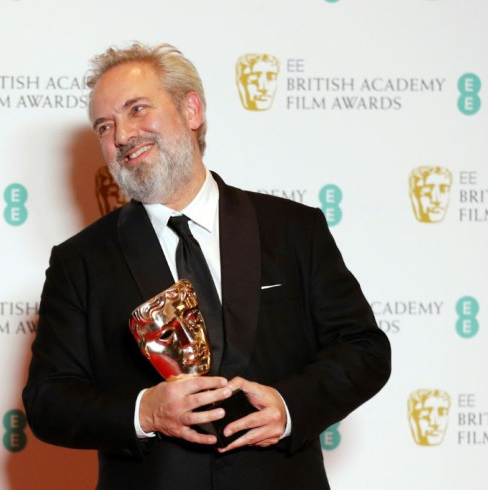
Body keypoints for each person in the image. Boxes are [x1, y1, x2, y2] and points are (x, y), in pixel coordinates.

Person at [23, 42, 391, 489]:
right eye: (105, 126)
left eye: (137, 109)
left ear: (191, 110)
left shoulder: (293, 229)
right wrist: (146, 411)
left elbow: (364, 350)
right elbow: (48, 400)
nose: (121, 136)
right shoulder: (79, 261)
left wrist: (289, 406)